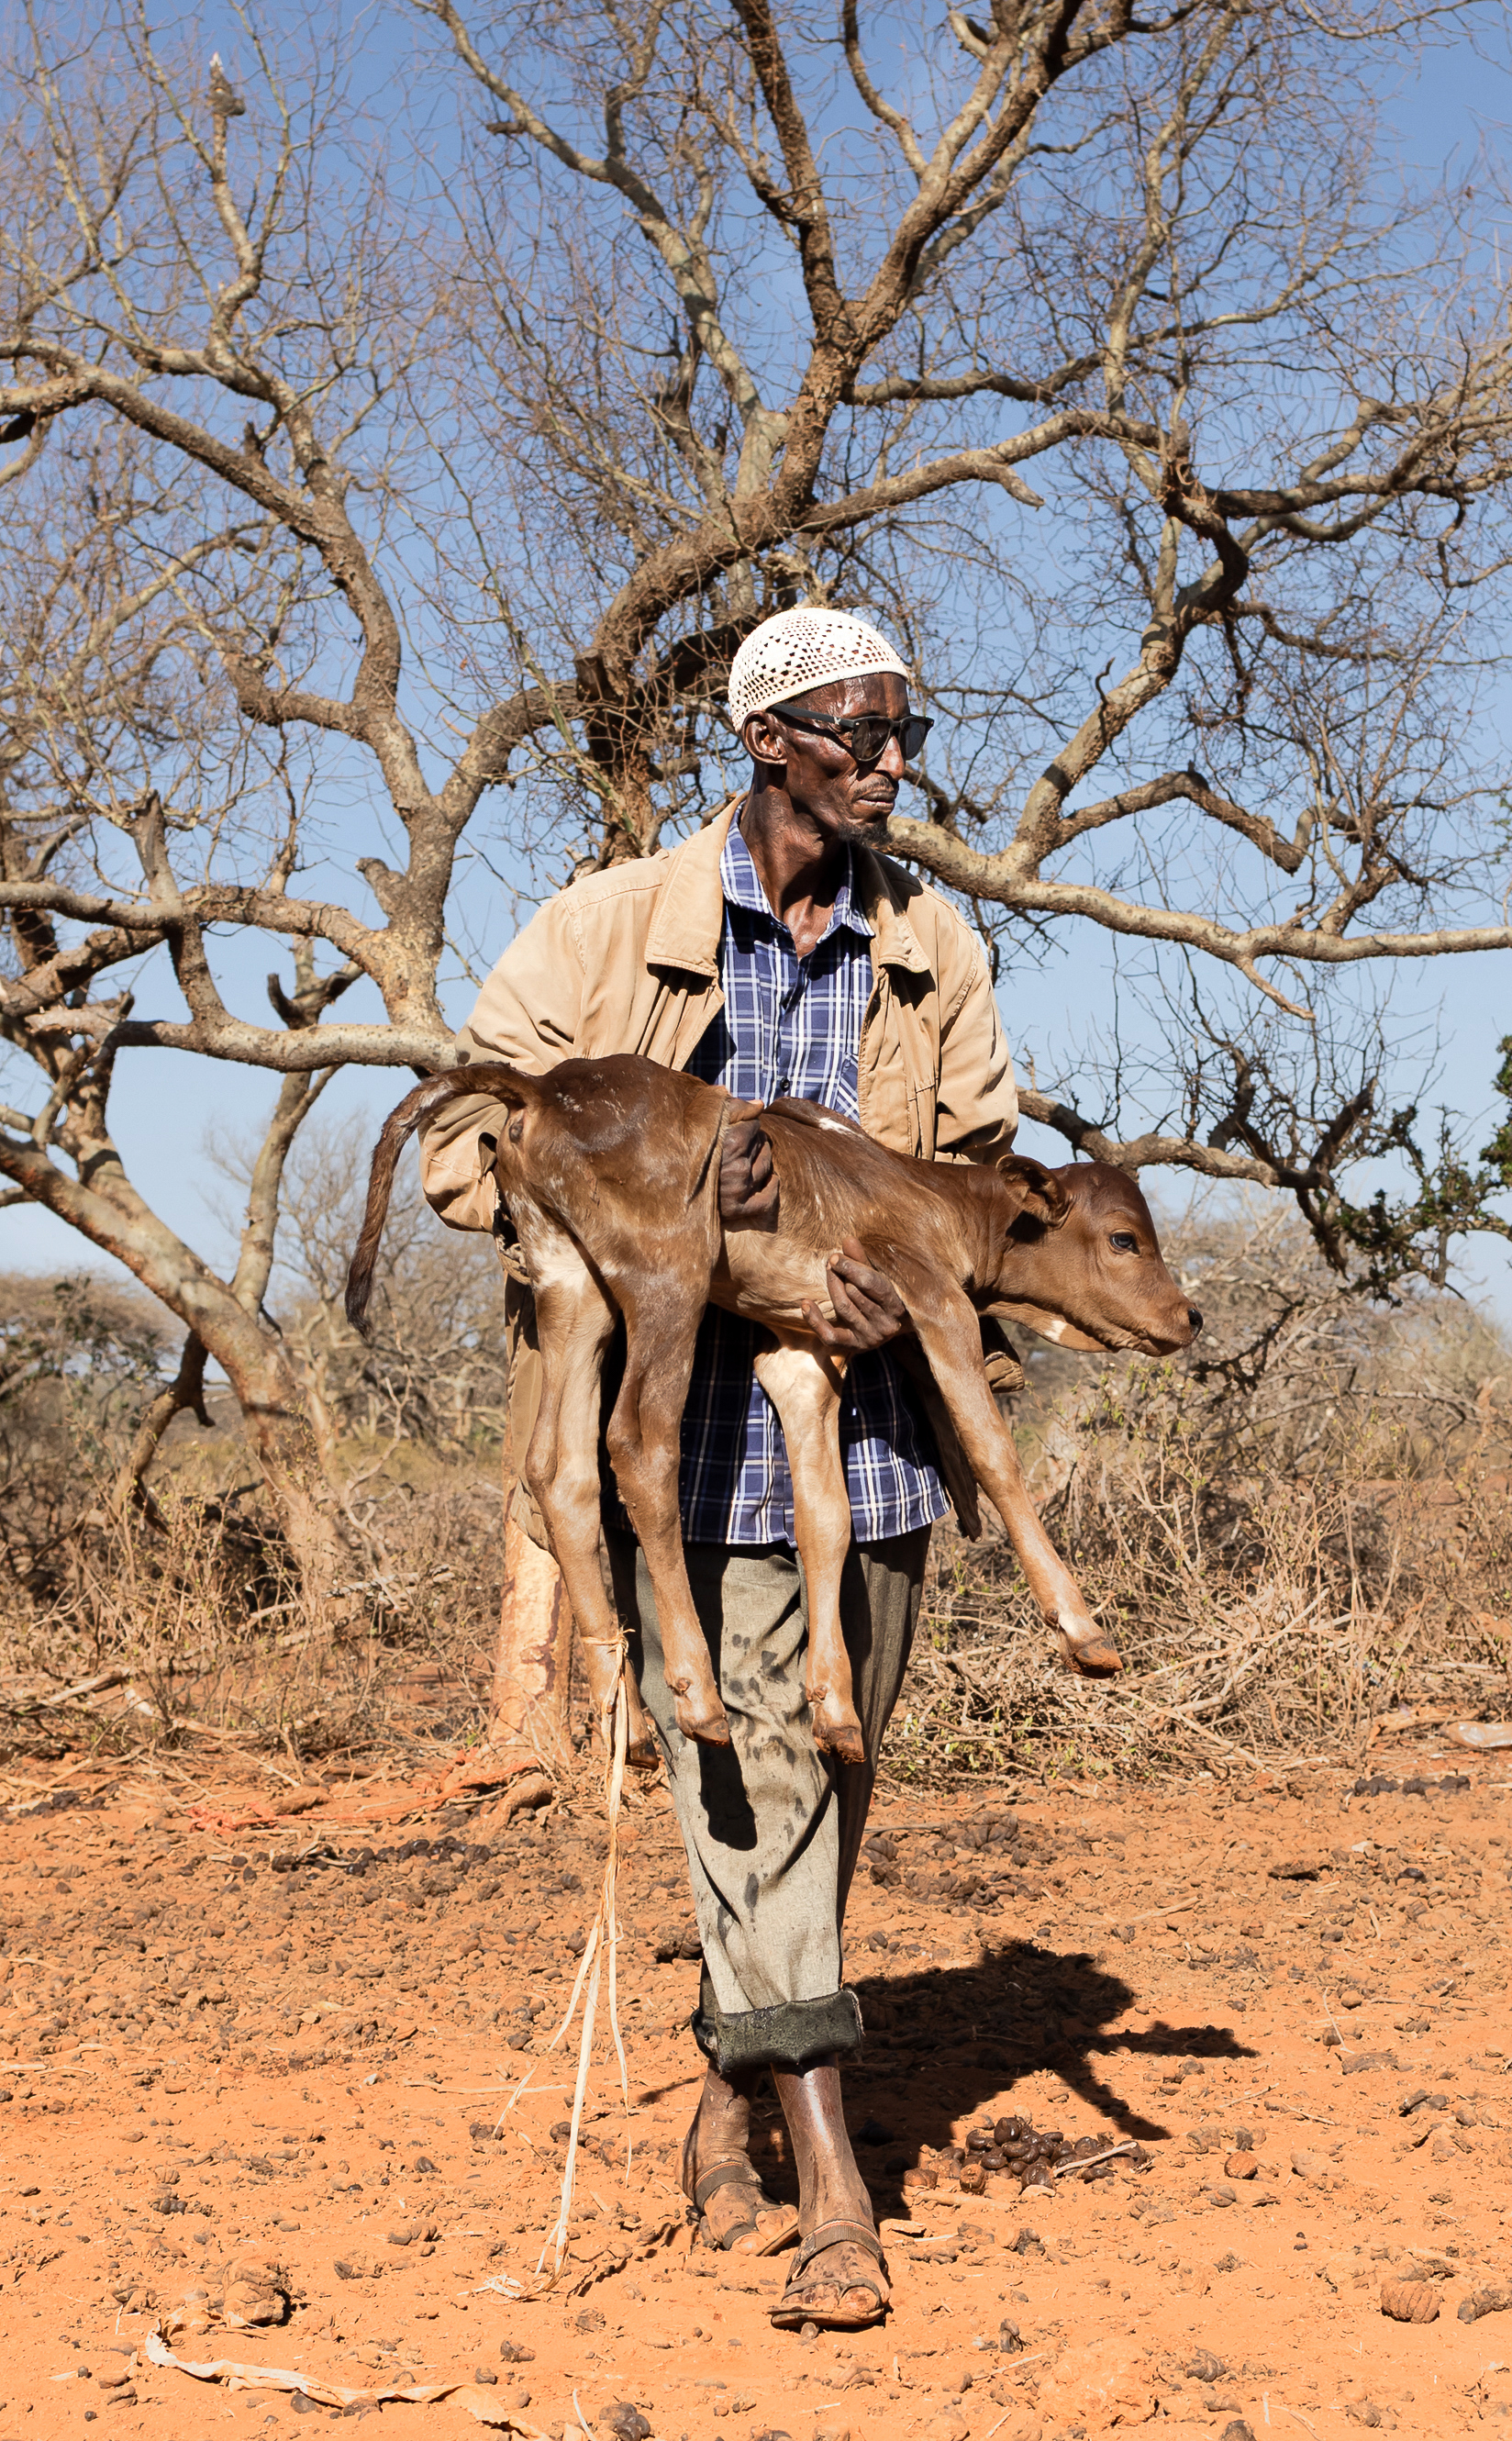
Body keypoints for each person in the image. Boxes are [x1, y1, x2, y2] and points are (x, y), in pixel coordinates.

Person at [417, 606, 1017, 2331]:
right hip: (685, 1452)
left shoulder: (935, 950)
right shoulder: (611, 929)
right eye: (859, 735)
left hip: (875, 1446)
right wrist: (672, 1215)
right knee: (750, 1781)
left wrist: (883, 1237)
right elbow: (471, 1145)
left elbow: (972, 1185)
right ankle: (835, 2180)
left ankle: (721, 2106)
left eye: (905, 730)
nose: (893, 763)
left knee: (825, 1789)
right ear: (767, 740)